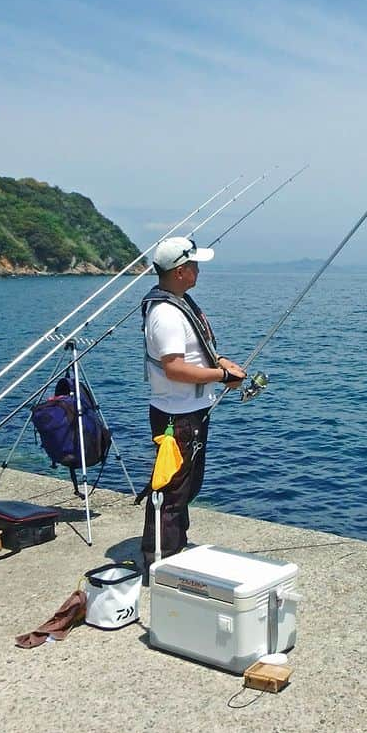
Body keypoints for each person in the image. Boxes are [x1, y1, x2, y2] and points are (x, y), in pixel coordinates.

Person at [138, 236, 245, 571]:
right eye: (194, 264)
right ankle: (161, 560)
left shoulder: (178, 303)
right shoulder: (167, 315)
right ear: (181, 271)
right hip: (176, 417)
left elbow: (197, 352)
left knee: (186, 485)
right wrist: (221, 377)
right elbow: (174, 368)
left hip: (189, 413)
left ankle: (175, 546)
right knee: (171, 489)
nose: (198, 270)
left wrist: (222, 362)